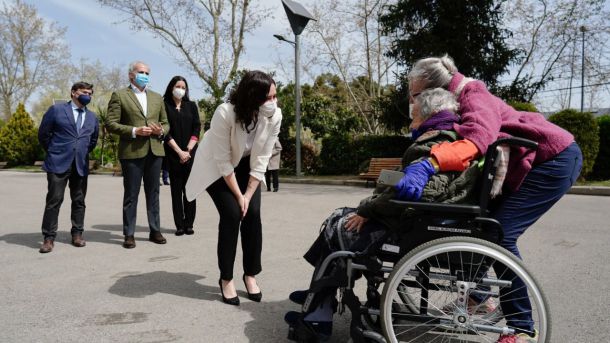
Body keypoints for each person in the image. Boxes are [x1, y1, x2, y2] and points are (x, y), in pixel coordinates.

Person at [403, 55, 582, 343]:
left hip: (555, 160)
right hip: (532, 160)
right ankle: (480, 297)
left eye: (414, 96)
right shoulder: (458, 99)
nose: (412, 103)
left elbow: (478, 139)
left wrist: (431, 163)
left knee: (500, 234)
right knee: (483, 227)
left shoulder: (473, 94)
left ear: (433, 90)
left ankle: (522, 329)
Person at [285, 88, 481, 339]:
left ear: (429, 115)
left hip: (410, 223)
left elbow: (416, 192)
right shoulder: (448, 139)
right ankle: (319, 294)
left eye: (413, 117)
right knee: (339, 218)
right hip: (415, 218)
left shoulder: (435, 142)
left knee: (339, 227)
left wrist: (368, 208)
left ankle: (318, 313)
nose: (411, 123)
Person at [185, 71, 282, 306]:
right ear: (252, 97)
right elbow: (223, 161)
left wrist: (248, 194)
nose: (273, 102)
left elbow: (262, 158)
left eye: (275, 96)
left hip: (246, 166)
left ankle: (250, 274)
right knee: (232, 214)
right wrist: (238, 197)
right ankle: (226, 278)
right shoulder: (225, 113)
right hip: (218, 167)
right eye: (268, 98)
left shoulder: (274, 115)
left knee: (253, 214)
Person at [107, 61, 169, 249]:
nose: (145, 75)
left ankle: (155, 230)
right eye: (141, 72)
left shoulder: (158, 97)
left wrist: (160, 131)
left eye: (147, 73)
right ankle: (129, 234)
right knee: (131, 194)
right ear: (131, 75)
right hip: (132, 152)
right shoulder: (120, 95)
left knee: (154, 193)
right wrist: (134, 130)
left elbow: (166, 123)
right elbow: (111, 123)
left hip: (155, 150)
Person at [37, 82, 99, 253]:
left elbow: (92, 140)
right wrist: (55, 151)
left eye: (90, 93)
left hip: (80, 164)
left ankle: (77, 234)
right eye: (84, 92)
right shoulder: (56, 110)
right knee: (54, 200)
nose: (87, 95)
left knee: (79, 201)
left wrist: (81, 152)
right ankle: (48, 238)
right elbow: (43, 134)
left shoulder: (93, 117)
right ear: (73, 93)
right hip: (58, 162)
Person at [163, 76, 201, 236]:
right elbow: (165, 131)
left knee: (190, 190)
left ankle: (189, 223)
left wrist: (188, 150)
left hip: (190, 154)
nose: (181, 89)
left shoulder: (191, 106)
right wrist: (179, 151)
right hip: (173, 154)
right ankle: (179, 224)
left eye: (183, 87)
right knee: (176, 191)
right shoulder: (164, 106)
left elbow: (196, 128)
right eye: (178, 86)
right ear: (171, 87)